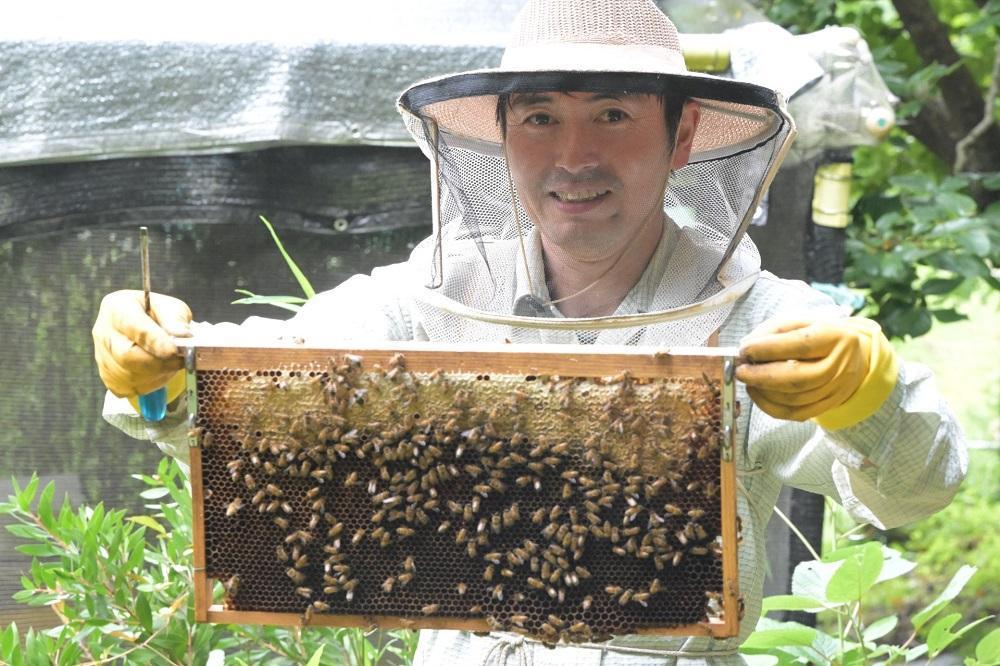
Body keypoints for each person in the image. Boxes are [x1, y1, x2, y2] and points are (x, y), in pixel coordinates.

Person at [92, 0, 966, 663]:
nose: (572, 156)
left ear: (683, 135)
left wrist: (874, 399)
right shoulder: (424, 303)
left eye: (613, 115)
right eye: (541, 116)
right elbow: (261, 394)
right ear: (504, 136)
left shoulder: (756, 320)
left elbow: (912, 491)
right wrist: (159, 368)